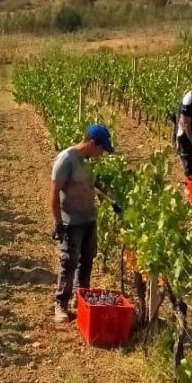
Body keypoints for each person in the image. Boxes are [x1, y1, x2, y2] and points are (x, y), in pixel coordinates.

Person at [51, 124, 116, 323]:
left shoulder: (89, 162)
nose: (102, 154)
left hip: (89, 219)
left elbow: (92, 185)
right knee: (69, 263)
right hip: (72, 221)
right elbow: (53, 193)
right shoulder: (66, 160)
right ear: (92, 143)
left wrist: (112, 201)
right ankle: (60, 305)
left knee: (87, 261)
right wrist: (58, 223)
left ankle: (80, 301)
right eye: (101, 149)